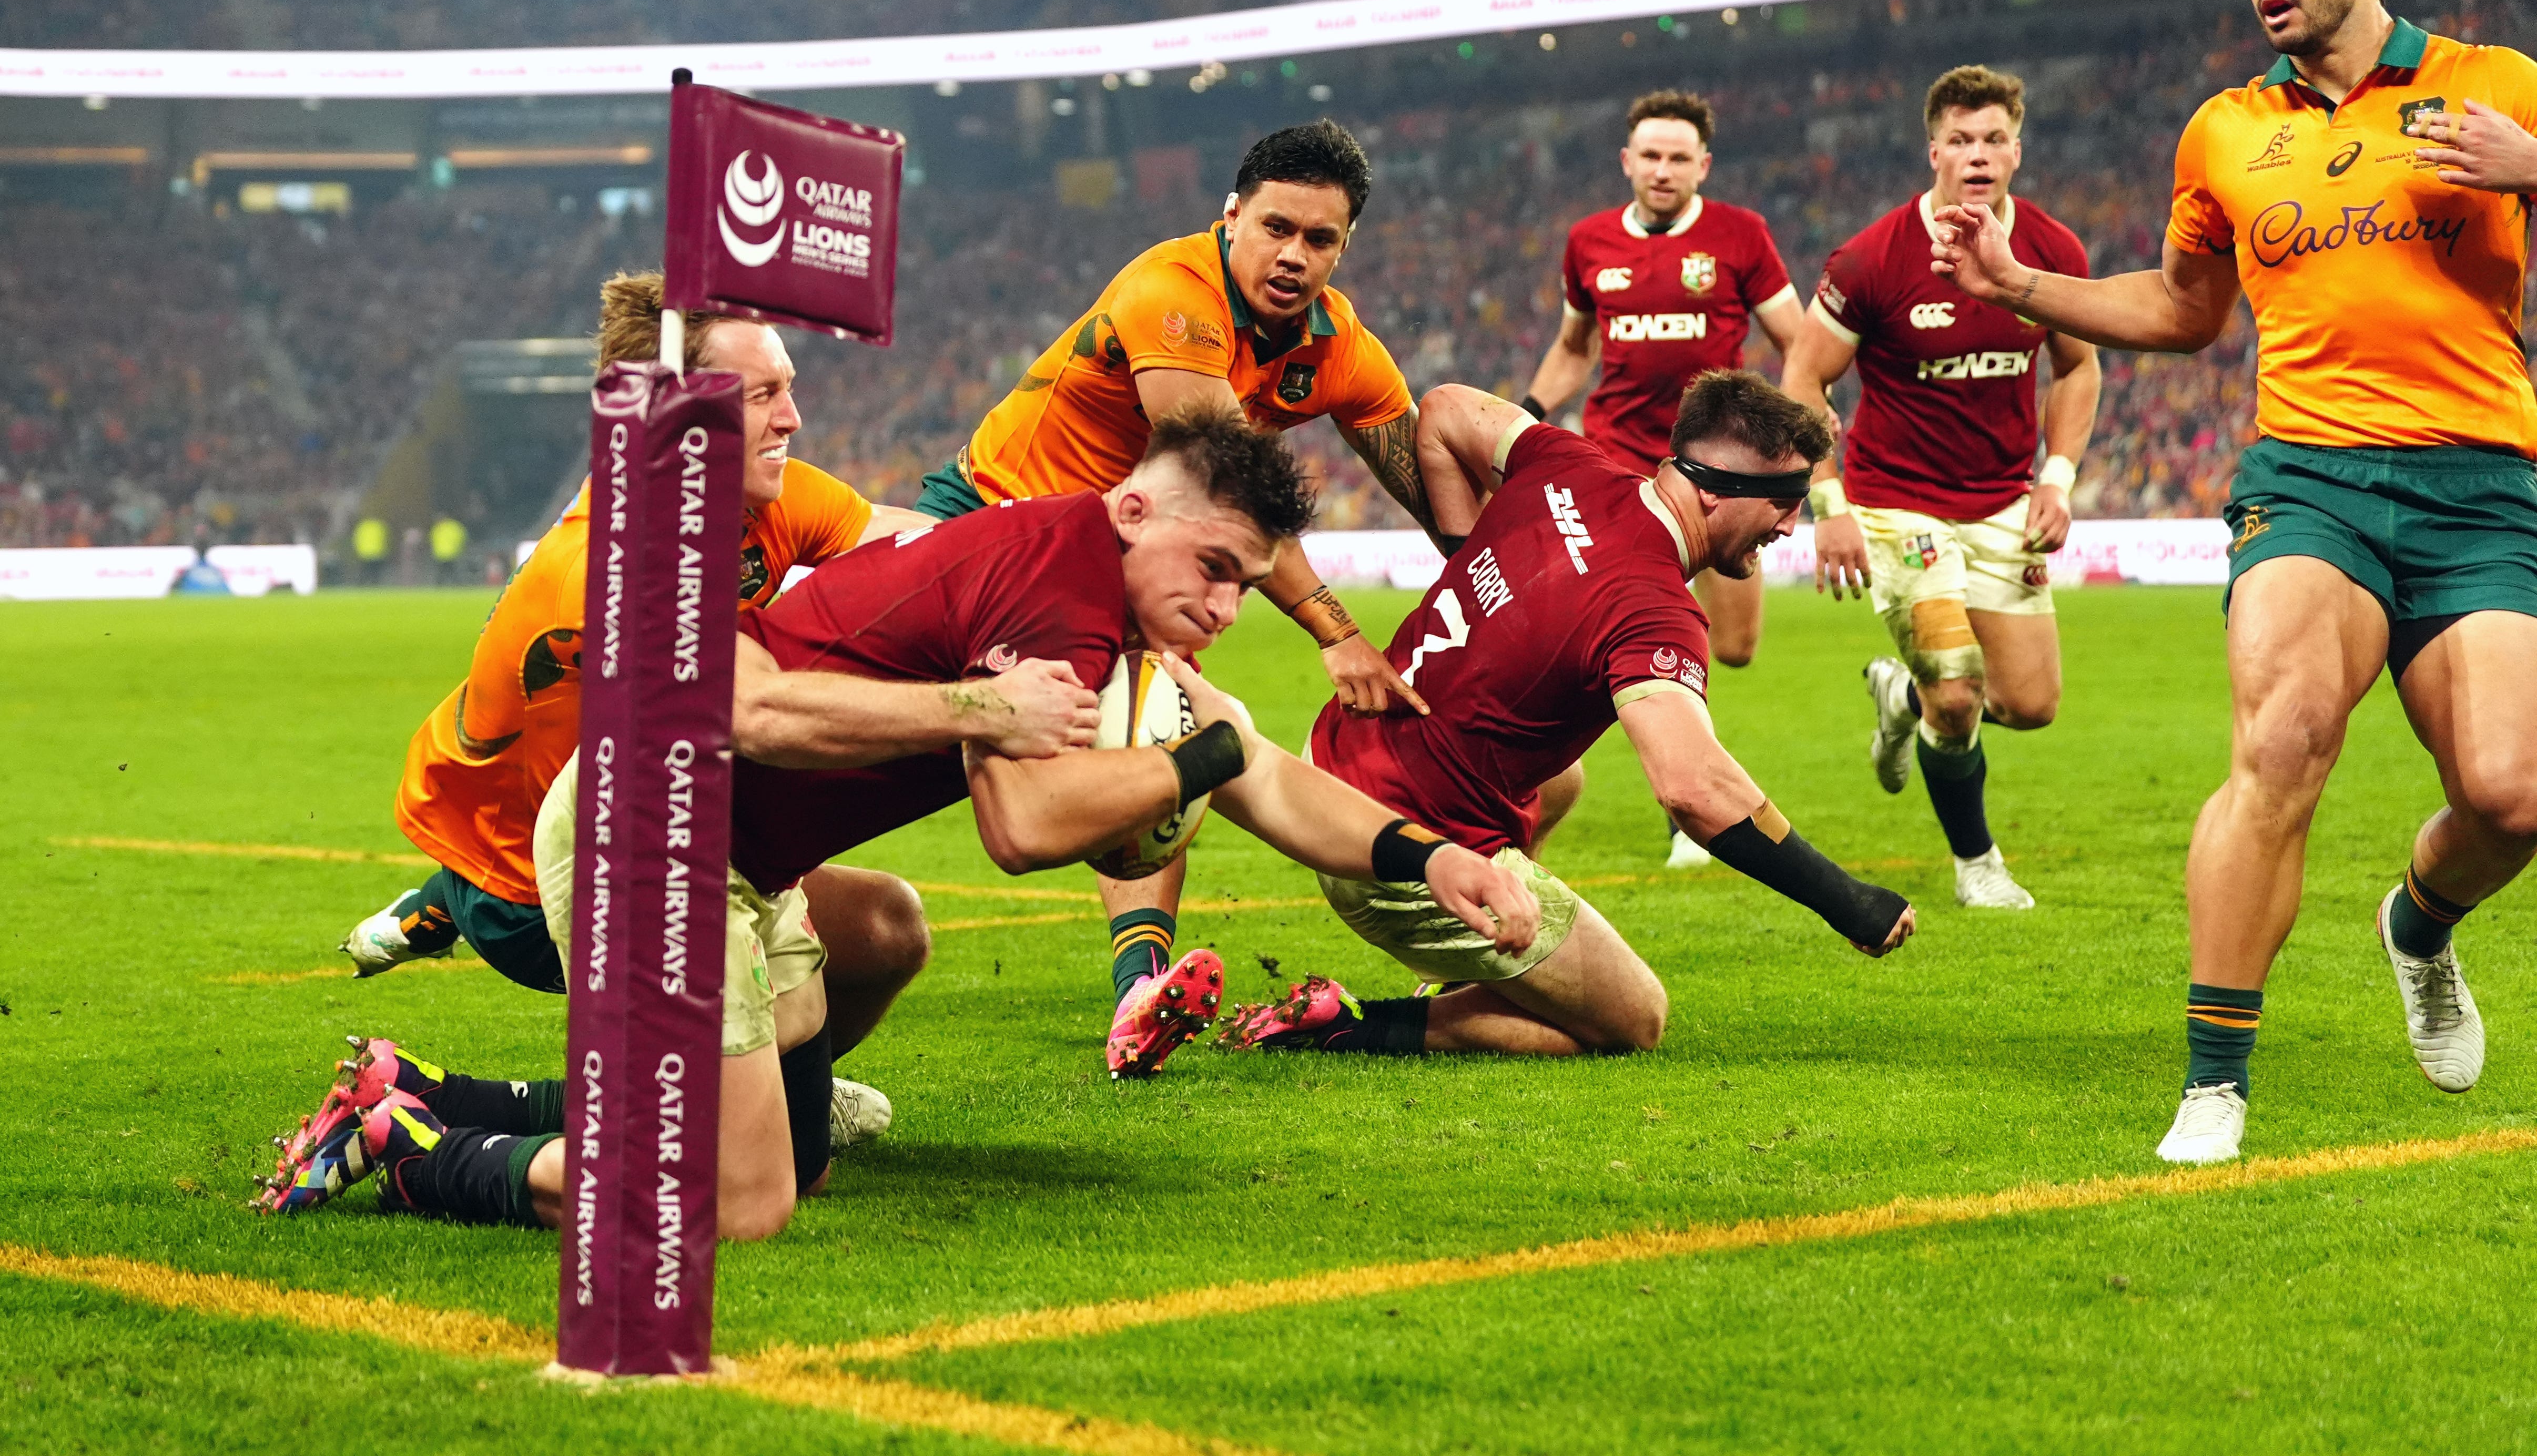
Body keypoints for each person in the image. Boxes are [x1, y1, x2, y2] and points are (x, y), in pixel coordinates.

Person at [267, 412, 1536, 1236]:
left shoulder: (1111, 606)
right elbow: (1026, 826)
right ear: (1137, 513)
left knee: (824, 1104)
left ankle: (428, 1082)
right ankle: (414, 1145)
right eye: (1216, 569)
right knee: (738, 1202)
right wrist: (1195, 758)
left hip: (753, 865)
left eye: (1249, 587)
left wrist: (1441, 860)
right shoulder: (1052, 583)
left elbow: (1269, 780)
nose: (1226, 605)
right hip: (651, 836)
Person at [1929, 0, 2537, 1165]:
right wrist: (2017, 285)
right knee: (2284, 740)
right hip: (2309, 477)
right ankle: (2217, 1078)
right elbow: (2186, 312)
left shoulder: (2498, 85)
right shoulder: (2222, 130)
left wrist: (2532, 164)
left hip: (2483, 483)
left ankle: (2419, 924)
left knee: (2512, 795)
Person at [334, 273, 940, 1152]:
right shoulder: (604, 577)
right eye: (764, 394)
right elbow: (767, 724)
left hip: (636, 809)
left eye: (789, 389)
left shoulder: (760, 498)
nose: (793, 418)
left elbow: (908, 541)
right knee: (694, 1146)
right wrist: (980, 713)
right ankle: (421, 1121)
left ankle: (757, 1090)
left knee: (887, 932)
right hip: (528, 883)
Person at [907, 118, 1455, 1067]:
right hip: (995, 525)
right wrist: (1334, 629)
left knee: (1157, 736)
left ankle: (1138, 999)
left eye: (1320, 240)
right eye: (1276, 228)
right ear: (1231, 216)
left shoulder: (1340, 345)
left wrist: (1534, 558)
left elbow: (1432, 486)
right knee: (970, 754)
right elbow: (1220, 490)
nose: (1294, 256)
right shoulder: (1172, 295)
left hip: (1129, 560)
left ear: (1346, 246)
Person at [1221, 376, 1916, 1060]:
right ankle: (1340, 1024)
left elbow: (1444, 409)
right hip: (1400, 854)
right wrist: (1847, 901)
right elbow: (1692, 789)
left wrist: (1464, 554)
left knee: (1564, 781)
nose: (1791, 524)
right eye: (1782, 500)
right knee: (1633, 1018)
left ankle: (1473, 960)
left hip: (1335, 764)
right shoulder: (1655, 610)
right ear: (1711, 487)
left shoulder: (1569, 464)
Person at [1780, 65, 2100, 912]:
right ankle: (1978, 864)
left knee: (2029, 706)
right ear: (1934, 152)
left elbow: (2078, 368)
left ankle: (1903, 693)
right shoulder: (1875, 257)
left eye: (1995, 139)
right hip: (1897, 506)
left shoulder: (2052, 252)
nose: (1979, 156)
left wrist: (2059, 479)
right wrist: (1830, 506)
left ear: (2017, 151)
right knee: (1958, 696)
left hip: (2002, 504)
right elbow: (1804, 380)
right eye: (1961, 141)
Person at [1519, 90, 1809, 870]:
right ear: (1627, 161)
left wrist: (1798, 448)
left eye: (1679, 158)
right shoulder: (1588, 243)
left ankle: (1672, 753)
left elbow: (1800, 344)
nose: (1663, 169)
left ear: (1703, 166)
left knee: (1738, 645)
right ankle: (1686, 806)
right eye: (1650, 155)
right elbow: (1575, 346)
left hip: (1723, 476)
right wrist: (1533, 408)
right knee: (1654, 624)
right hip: (1620, 469)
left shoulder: (1740, 236)